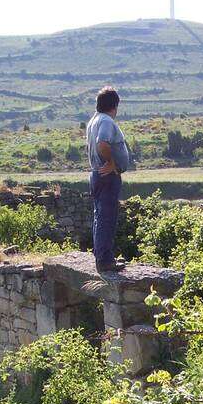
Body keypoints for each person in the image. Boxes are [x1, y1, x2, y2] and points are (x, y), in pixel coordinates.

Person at [86, 86, 132, 272]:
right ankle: (105, 262)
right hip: (107, 175)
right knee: (107, 217)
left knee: (100, 215)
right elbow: (102, 143)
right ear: (114, 106)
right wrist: (112, 163)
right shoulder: (106, 121)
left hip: (97, 174)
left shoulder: (93, 120)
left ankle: (102, 257)